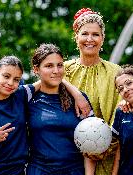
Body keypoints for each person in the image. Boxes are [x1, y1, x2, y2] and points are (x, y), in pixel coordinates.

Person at [64, 8, 121, 174]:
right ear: (76, 37)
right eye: (84, 34)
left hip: (104, 157)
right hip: (67, 156)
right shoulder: (63, 71)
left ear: (102, 39)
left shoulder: (115, 73)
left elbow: (120, 115)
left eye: (95, 34)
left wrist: (103, 147)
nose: (90, 39)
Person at [26, 43, 94, 175]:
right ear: (36, 69)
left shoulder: (79, 100)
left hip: (74, 171)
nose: (56, 71)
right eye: (49, 66)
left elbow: (90, 145)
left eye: (60, 65)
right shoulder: (28, 100)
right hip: (39, 171)